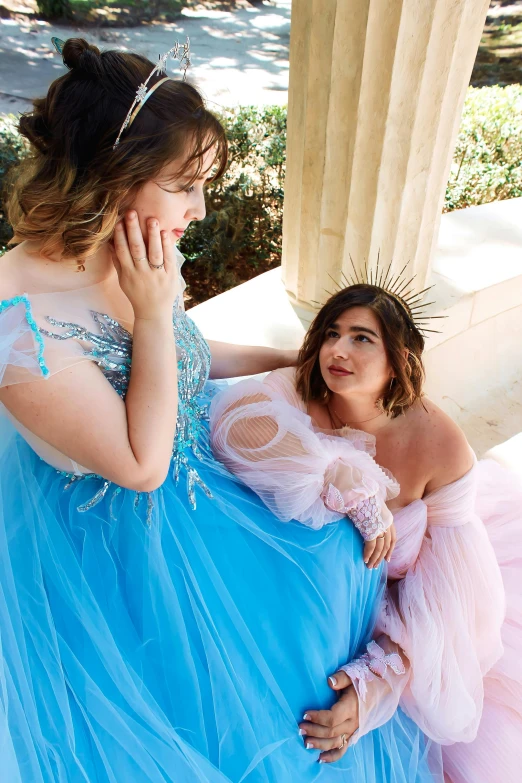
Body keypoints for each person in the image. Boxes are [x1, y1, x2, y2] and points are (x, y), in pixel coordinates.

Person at [0, 38, 439, 782]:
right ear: (116, 176)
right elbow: (141, 463)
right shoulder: (15, 322)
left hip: (204, 480)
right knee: (297, 610)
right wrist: (147, 314)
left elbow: (190, 352)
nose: (200, 209)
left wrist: (297, 365)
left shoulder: (130, 246)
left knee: (343, 552)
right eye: (185, 185)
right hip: (123, 541)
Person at [210, 283, 522, 783]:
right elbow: (233, 421)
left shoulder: (437, 443)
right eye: (331, 333)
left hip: (370, 622)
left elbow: (442, 596)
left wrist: (376, 682)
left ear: (398, 360)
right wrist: (338, 476)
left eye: (361, 338)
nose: (338, 350)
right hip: (273, 592)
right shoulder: (299, 390)